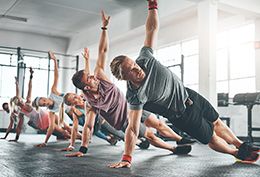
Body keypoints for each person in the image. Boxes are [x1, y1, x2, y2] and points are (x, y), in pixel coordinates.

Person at [109, 0, 260, 168]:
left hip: (191, 95)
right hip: (182, 115)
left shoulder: (145, 58)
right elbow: (132, 127)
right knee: (211, 137)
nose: (137, 68)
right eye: (131, 69)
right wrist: (127, 157)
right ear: (124, 77)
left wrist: (153, 5)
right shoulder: (135, 95)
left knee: (217, 121)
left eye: (134, 64)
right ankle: (235, 154)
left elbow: (151, 29)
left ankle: (241, 145)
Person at [68, 10, 193, 158]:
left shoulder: (100, 77)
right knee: (150, 135)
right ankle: (173, 149)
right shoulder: (91, 104)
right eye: (89, 78)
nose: (93, 77)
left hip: (132, 105)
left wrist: (104, 28)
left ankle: (180, 139)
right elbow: (88, 126)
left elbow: (103, 51)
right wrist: (83, 148)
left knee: (158, 124)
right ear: (87, 87)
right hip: (124, 121)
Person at [32, 52, 73, 147]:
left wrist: (54, 61)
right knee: (73, 131)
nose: (46, 104)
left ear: (45, 98)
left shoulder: (53, 92)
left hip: (76, 104)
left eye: (44, 101)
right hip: (72, 114)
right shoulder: (51, 111)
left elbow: (56, 76)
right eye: (43, 105)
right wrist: (45, 142)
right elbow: (50, 127)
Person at [0, 77, 24, 141]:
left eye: (7, 106)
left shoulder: (14, 105)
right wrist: (5, 137)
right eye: (6, 108)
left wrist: (16, 84)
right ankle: (16, 138)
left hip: (25, 114)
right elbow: (10, 126)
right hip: (21, 118)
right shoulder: (11, 115)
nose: (7, 107)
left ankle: (16, 138)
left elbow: (17, 93)